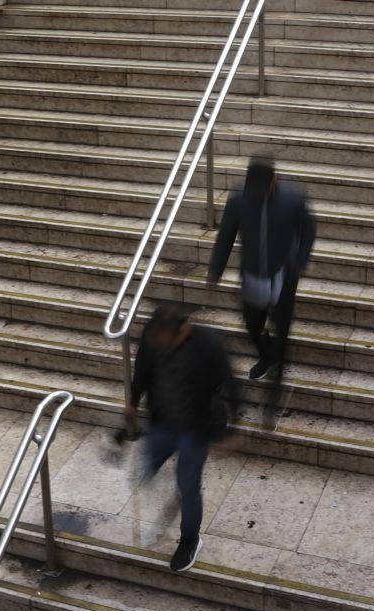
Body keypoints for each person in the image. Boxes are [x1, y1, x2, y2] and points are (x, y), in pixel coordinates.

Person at [124, 303, 240, 572]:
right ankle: (175, 488)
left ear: (182, 332)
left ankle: (190, 540)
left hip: (196, 427)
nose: (158, 344)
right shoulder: (153, 335)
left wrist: (231, 431)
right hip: (163, 420)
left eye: (164, 340)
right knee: (146, 468)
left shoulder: (208, 345)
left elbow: (231, 386)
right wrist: (133, 400)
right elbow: (142, 368)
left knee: (188, 486)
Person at [207, 158, 316, 383]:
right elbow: (225, 236)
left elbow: (308, 230)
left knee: (282, 322)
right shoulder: (239, 201)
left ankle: (278, 363)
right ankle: (267, 356)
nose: (258, 195)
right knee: (252, 323)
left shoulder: (292, 199)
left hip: (283, 273)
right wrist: (215, 271)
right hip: (252, 272)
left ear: (274, 180)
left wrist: (300, 260)